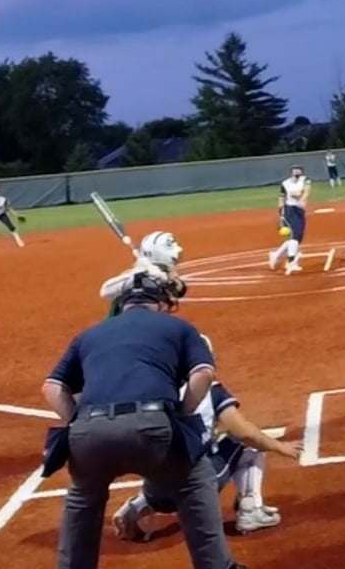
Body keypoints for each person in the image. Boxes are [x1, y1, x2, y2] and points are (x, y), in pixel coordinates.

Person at [43, 272, 242, 569]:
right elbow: (203, 374)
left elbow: (52, 388)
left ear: (123, 304)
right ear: (160, 304)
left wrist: (79, 421)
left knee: (82, 497)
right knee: (194, 480)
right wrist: (182, 414)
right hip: (152, 427)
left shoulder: (89, 334)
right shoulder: (178, 327)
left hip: (89, 433)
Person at [113, 341, 303, 541]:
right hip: (195, 489)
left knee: (164, 457)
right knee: (248, 447)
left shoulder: (151, 391)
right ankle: (251, 511)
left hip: (156, 493)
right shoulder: (213, 391)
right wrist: (280, 447)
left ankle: (136, 506)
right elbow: (245, 433)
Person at [100, 231, 185, 316]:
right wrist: (138, 275)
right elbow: (105, 291)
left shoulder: (163, 272)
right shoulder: (135, 277)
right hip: (128, 321)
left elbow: (179, 290)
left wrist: (165, 279)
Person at [268, 166, 313, 274]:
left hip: (300, 211)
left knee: (297, 238)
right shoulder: (285, 183)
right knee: (295, 236)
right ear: (291, 172)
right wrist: (281, 215)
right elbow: (281, 198)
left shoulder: (305, 180)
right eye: (294, 170)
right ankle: (291, 262)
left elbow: (307, 192)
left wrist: (301, 198)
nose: (296, 172)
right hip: (289, 210)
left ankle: (276, 255)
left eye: (298, 170)